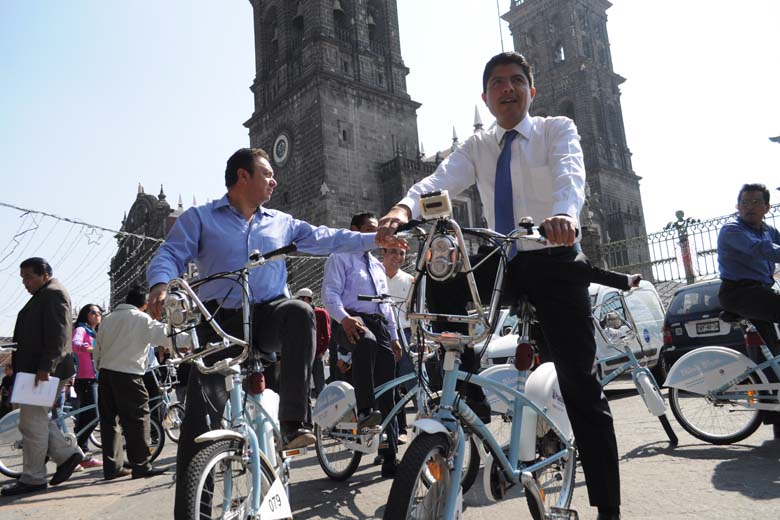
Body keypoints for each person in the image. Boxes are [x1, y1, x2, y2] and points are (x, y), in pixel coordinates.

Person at [377, 52, 621, 519]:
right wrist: (404, 209)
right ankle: (463, 403)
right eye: (496, 84)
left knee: (580, 382)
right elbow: (438, 181)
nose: (506, 89)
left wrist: (567, 216)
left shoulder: (556, 130)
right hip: (505, 258)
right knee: (442, 279)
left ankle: (608, 507)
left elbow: (572, 174)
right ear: (485, 96)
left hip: (552, 256)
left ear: (532, 90)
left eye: (515, 81)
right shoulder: (478, 145)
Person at [145, 147, 404, 518]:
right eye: (267, 173)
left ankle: (293, 422)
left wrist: (372, 240)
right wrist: (160, 284)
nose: (274, 180)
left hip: (268, 315)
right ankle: (193, 511)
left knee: (301, 312)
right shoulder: (200, 219)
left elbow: (327, 237)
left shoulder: (281, 222)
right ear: (242, 177)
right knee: (200, 420)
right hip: (220, 320)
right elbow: (170, 254)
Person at [322, 212, 403, 477]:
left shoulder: (378, 266)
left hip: (378, 324)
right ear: (355, 231)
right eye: (369, 229)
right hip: (351, 323)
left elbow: (385, 304)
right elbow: (330, 294)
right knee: (365, 342)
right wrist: (345, 319)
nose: (375, 235)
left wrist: (394, 337)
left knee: (389, 390)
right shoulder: (340, 257)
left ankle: (389, 455)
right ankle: (366, 410)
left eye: (377, 229)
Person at [1, 258, 84, 497]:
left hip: (46, 371)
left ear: (45, 274)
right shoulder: (43, 294)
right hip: (37, 370)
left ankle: (34, 477)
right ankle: (67, 455)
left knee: (32, 423)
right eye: (23, 279)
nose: (25, 283)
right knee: (33, 420)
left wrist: (46, 367)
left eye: (29, 277)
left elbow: (59, 335)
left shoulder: (54, 294)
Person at [93, 285, 177, 481]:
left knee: (109, 422)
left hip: (105, 374)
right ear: (145, 304)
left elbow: (98, 348)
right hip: (129, 375)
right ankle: (141, 465)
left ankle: (113, 467)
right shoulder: (141, 319)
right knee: (138, 419)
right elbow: (165, 336)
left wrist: (101, 367)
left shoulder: (108, 319)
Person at [717, 183, 780, 439]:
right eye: (745, 202)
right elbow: (760, 249)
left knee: (774, 355)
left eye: (756, 202)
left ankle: (776, 417)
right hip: (739, 293)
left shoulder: (769, 230)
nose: (750, 207)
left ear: (766, 207)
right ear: (737, 206)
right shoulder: (732, 230)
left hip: (761, 293)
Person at [381, 246, 415, 444]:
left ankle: (425, 428)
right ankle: (394, 431)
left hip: (406, 335)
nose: (398, 257)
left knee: (414, 382)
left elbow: (416, 312)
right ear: (383, 252)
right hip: (382, 335)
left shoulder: (410, 280)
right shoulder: (374, 277)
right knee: (388, 386)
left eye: (402, 253)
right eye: (393, 251)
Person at [71, 303, 103, 469]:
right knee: (92, 416)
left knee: (86, 418)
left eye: (99, 312)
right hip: (85, 380)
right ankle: (74, 452)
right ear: (85, 314)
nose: (97, 315)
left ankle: (79, 455)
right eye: (93, 312)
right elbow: (74, 345)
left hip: (93, 379)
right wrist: (90, 349)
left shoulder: (93, 332)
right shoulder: (81, 329)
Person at [293, 287, 331, 398]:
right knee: (304, 385)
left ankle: (323, 407)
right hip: (303, 354)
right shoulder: (299, 314)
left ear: (305, 298)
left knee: (320, 385)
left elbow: (327, 334)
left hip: (316, 354)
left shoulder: (321, 313)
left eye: (300, 299)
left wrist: (322, 351)